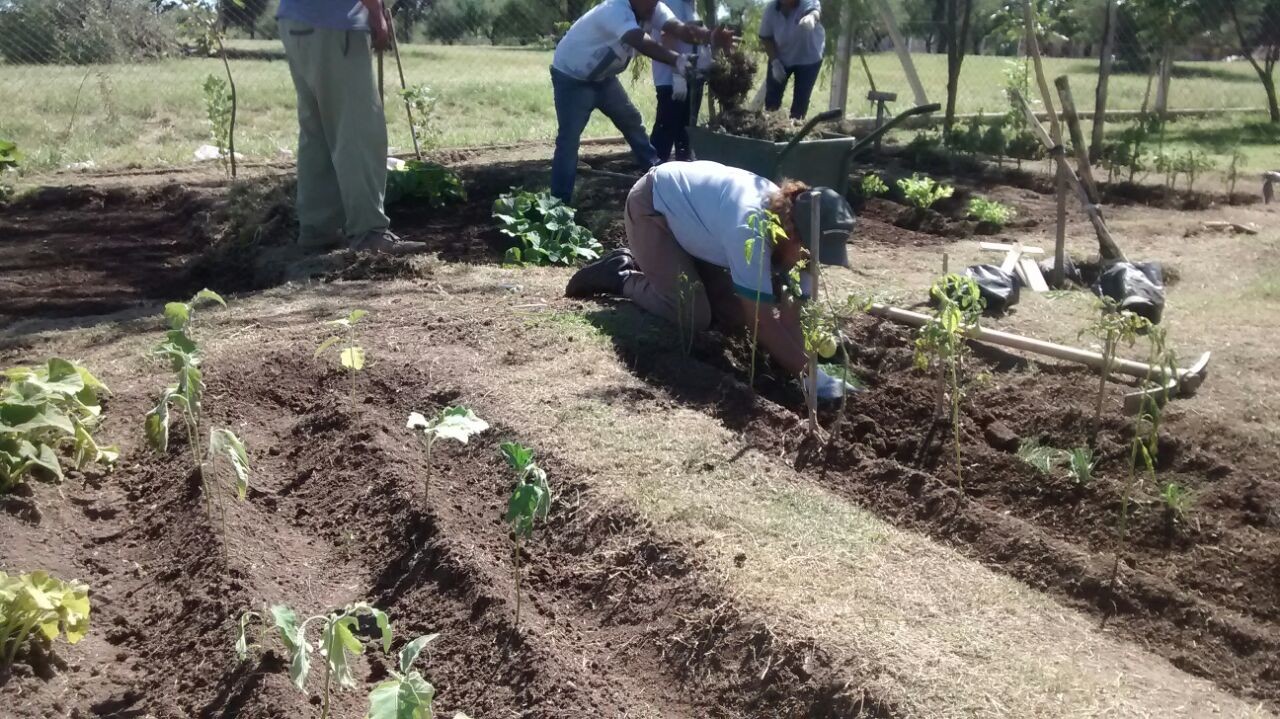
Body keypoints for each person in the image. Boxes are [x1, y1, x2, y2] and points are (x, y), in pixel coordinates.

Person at [565, 160, 858, 400]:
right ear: (794, 234)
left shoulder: (798, 231)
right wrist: (810, 374)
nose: (813, 262)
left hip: (695, 233)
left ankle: (666, 266)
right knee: (694, 313)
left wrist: (808, 371)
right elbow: (763, 322)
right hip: (653, 211)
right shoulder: (752, 228)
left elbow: (793, 315)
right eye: (813, 253)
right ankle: (621, 274)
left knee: (732, 312)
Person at [277, 0, 425, 254]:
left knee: (317, 132)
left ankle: (318, 230)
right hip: (337, 24)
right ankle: (369, 233)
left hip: (293, 20)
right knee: (358, 129)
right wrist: (375, 12)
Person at [550, 0, 730, 203]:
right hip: (573, 78)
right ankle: (559, 203)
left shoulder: (652, 8)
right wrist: (676, 60)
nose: (654, 3)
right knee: (569, 140)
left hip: (603, 78)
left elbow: (681, 30)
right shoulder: (615, 10)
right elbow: (640, 40)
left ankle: (657, 176)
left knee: (632, 122)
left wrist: (709, 36)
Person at [649, 0, 699, 163]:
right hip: (671, 79)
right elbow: (668, 35)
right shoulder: (673, 2)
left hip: (689, 77)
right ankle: (651, 176)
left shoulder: (689, 4)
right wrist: (677, 74)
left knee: (684, 134)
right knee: (666, 131)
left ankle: (681, 178)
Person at [759, 0, 826, 120]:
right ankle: (771, 127)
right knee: (772, 99)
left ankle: (795, 130)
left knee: (801, 101)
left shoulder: (807, 2)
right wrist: (774, 62)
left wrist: (811, 17)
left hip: (809, 58)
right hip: (781, 58)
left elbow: (815, 11)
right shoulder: (771, 10)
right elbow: (766, 37)